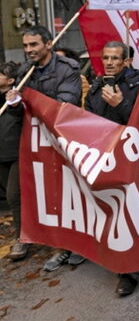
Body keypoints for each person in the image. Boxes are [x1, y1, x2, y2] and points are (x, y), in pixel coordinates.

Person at [4, 26, 83, 270]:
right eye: (26, 45)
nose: (29, 50)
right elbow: (21, 116)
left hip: (59, 144)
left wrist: (30, 104)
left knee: (60, 195)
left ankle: (68, 245)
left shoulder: (67, 69)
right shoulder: (25, 72)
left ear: (48, 44)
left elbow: (64, 106)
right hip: (30, 143)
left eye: (34, 45)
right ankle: (24, 237)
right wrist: (15, 104)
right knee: (16, 194)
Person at [85, 42, 139, 296]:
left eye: (115, 58)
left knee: (137, 212)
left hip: (136, 159)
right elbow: (88, 123)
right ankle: (126, 267)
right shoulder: (95, 89)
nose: (110, 62)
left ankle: (137, 268)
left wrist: (121, 105)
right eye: (106, 58)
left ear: (126, 61)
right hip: (107, 160)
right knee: (116, 214)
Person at [1, 62, 25, 261]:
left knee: (14, 196)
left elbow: (20, 114)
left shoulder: (17, 97)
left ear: (10, 80)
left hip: (17, 154)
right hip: (1, 155)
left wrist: (15, 102)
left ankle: (22, 239)